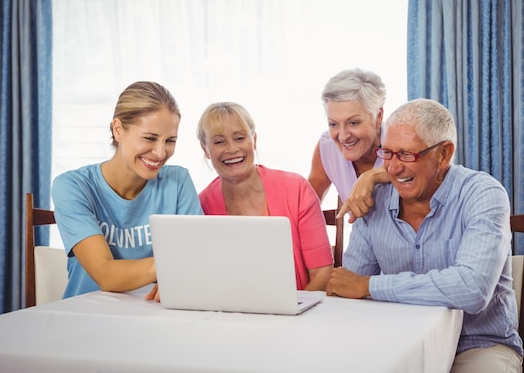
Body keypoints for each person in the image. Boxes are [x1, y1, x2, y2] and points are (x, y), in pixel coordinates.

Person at [325, 99, 523, 373]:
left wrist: (370, 286)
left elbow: (472, 289)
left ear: (444, 154)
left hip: (476, 346)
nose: (392, 169)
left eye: (406, 154)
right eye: (387, 153)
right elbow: (350, 287)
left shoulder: (483, 194)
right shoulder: (374, 200)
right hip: (398, 342)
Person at [51, 81, 204, 300]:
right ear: (118, 129)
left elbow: (199, 259)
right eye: (149, 138)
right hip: (87, 315)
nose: (161, 152)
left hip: (155, 314)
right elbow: (105, 274)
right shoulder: (73, 187)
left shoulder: (178, 181)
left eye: (170, 140)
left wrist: (186, 269)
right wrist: (171, 267)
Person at [197, 102, 333, 290]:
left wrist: (292, 313)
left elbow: (322, 274)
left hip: (297, 311)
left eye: (239, 138)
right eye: (219, 141)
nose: (231, 149)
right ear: (205, 149)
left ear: (254, 140)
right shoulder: (201, 205)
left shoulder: (296, 189)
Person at [308, 68, 388, 212]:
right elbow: (305, 207)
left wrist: (373, 176)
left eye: (353, 123)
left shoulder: (401, 142)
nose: (343, 136)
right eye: (333, 124)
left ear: (378, 116)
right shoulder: (327, 148)